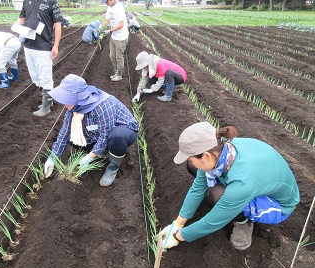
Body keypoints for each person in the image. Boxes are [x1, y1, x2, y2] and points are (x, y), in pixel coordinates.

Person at [160, 122, 300, 251]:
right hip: (257, 180)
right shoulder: (222, 148)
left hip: (276, 205)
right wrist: (177, 224)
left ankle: (243, 221)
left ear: (207, 156)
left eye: (192, 158)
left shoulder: (242, 183)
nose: (193, 162)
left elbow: (212, 222)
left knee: (217, 195)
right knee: (194, 168)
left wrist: (177, 237)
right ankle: (235, 206)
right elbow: (197, 188)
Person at [43, 74, 139, 187]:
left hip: (122, 129)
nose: (64, 104)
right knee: (74, 136)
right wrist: (53, 158)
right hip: (98, 128)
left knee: (116, 136)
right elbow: (65, 132)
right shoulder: (73, 108)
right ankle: (102, 151)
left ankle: (113, 167)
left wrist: (90, 157)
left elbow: (105, 133)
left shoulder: (103, 106)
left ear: (77, 97)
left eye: (66, 99)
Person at [12, 0, 63, 117]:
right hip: (28, 45)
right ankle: (48, 101)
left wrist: (56, 45)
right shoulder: (27, 1)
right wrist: (16, 25)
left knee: (45, 77)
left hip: (43, 46)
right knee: (35, 76)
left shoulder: (51, 2)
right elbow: (22, 18)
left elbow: (57, 24)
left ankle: (46, 107)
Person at [100, 0, 129, 82]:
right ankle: (116, 72)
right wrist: (99, 28)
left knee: (119, 57)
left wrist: (110, 31)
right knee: (112, 56)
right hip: (114, 36)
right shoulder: (110, 7)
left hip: (121, 37)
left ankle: (119, 75)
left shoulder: (119, 8)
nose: (106, 4)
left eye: (106, 2)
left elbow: (121, 24)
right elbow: (107, 21)